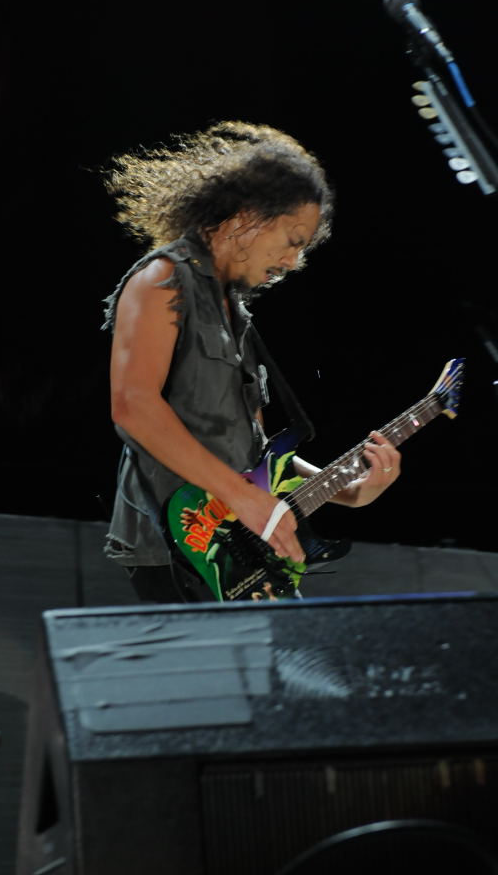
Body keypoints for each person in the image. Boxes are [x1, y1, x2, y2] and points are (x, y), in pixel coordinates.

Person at [101, 120, 401, 603]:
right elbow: (133, 406)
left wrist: (348, 489)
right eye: (294, 240)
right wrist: (241, 497)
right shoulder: (162, 279)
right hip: (180, 548)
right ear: (248, 217)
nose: (294, 262)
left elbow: (257, 458)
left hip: (241, 546)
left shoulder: (235, 312)